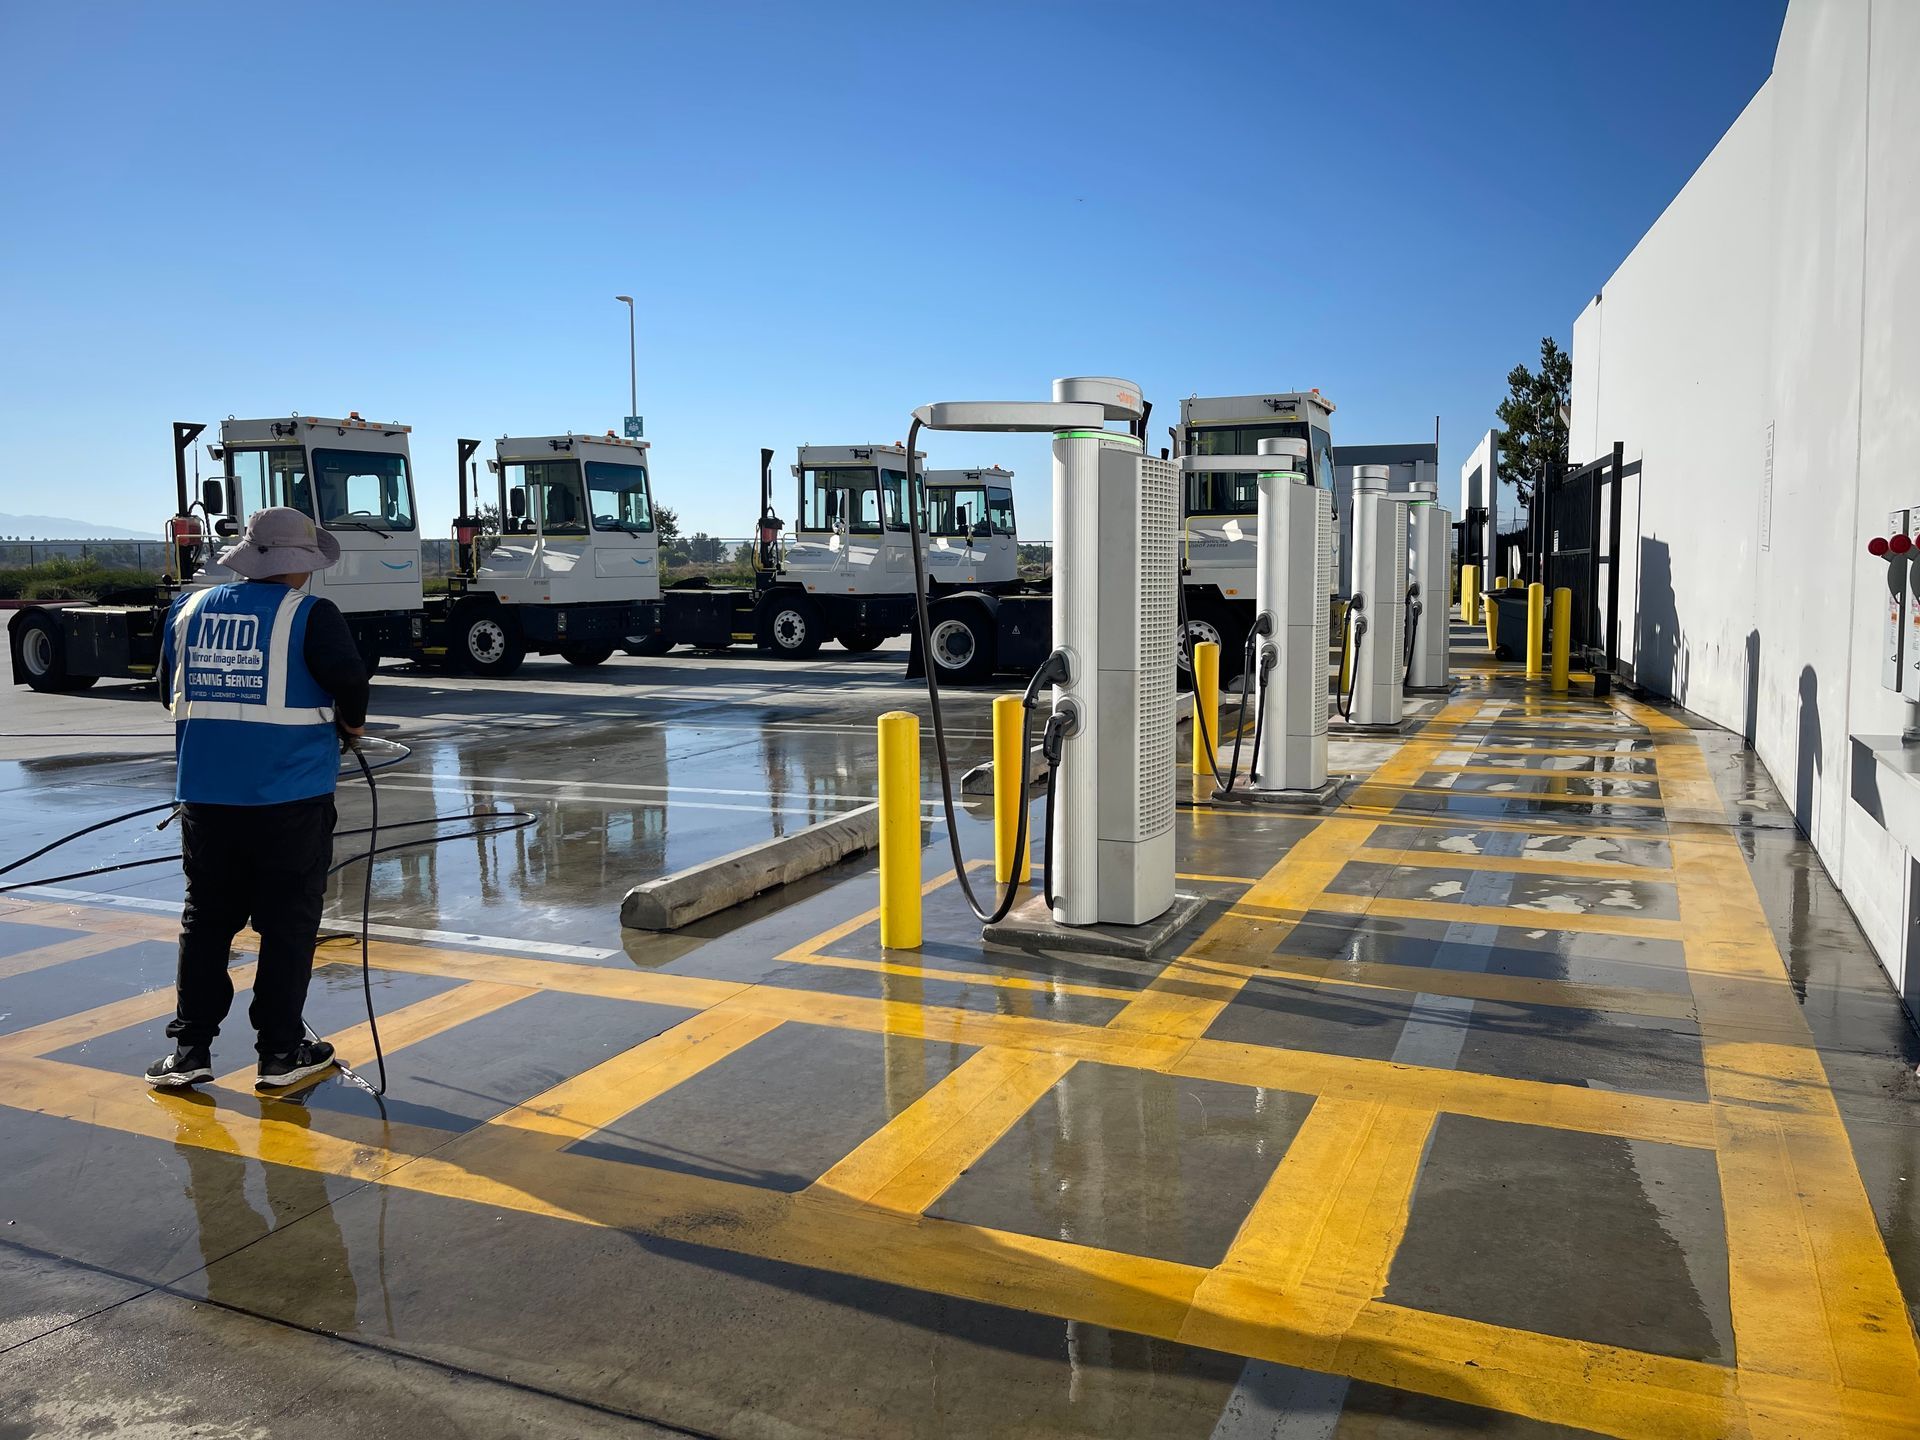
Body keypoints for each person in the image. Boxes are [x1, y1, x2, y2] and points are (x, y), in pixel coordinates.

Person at [145, 507, 370, 1090]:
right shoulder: (311, 616)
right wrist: (351, 727)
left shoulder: (188, 610)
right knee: (288, 924)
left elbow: (166, 686)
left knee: (207, 919)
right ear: (303, 564)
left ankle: (189, 1050)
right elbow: (350, 679)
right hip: (290, 798)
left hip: (206, 796)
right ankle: (280, 1052)